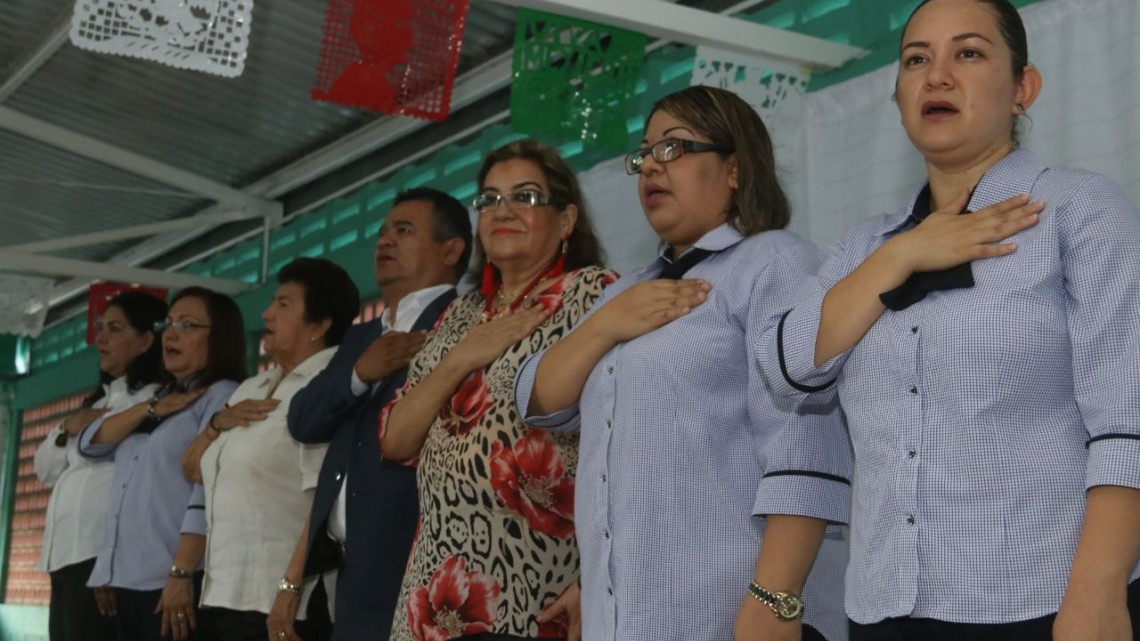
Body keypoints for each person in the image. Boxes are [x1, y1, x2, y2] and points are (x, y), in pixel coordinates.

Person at [764, 1, 1140, 639]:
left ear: (1023, 88)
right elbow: (791, 369)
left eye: (968, 53)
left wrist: (1099, 592)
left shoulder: (1079, 209)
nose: (936, 76)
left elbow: (1127, 418)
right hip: (884, 608)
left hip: (1042, 601)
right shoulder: (865, 246)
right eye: (916, 60)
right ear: (900, 94)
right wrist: (905, 252)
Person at [515, 86, 850, 641]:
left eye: (673, 148)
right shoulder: (628, 290)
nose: (650, 165)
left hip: (729, 608)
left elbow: (806, 445)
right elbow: (538, 400)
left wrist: (775, 602)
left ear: (735, 169)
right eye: (643, 154)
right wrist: (607, 324)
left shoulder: (774, 262)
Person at [378, 140, 616, 641]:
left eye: (525, 197)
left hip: (533, 591)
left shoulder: (593, 294)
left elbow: (627, 437)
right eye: (489, 199)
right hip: (430, 596)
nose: (502, 211)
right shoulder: (458, 316)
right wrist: (464, 356)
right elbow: (396, 440)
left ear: (567, 219)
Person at [284, 187, 472, 641]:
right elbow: (303, 420)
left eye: (404, 231)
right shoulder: (360, 337)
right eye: (382, 232)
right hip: (351, 570)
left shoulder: (466, 321)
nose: (384, 241)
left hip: (419, 559)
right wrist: (360, 372)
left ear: (451, 249)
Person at [175, 258, 359, 641]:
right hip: (223, 592)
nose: (267, 312)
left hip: (283, 602)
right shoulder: (251, 388)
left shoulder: (327, 390)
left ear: (320, 326)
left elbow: (321, 505)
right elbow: (194, 470)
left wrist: (289, 588)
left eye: (284, 304)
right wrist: (215, 425)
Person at [80, 287, 246, 641]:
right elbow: (89, 444)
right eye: (168, 324)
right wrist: (149, 408)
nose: (170, 334)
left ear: (219, 337)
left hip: (171, 579)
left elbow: (206, 490)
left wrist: (181, 573)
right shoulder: (161, 397)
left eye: (187, 325)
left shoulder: (224, 394)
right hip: (127, 579)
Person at [36, 291, 167, 641]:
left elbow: (137, 485)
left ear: (144, 341)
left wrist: (111, 565)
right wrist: (66, 427)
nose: (101, 338)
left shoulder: (153, 401)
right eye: (100, 328)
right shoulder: (98, 401)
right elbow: (45, 469)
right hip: (64, 554)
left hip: (100, 555)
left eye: (115, 328)